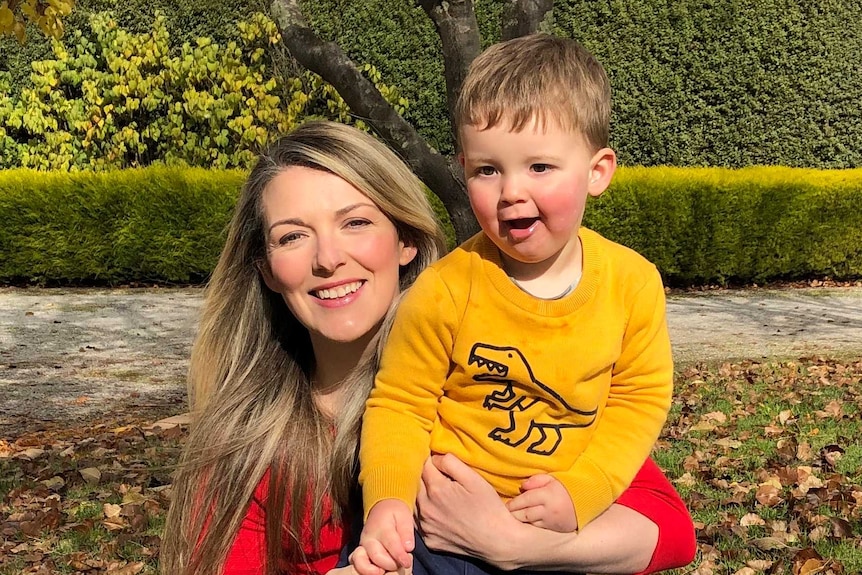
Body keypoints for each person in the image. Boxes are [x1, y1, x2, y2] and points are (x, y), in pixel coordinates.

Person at [159, 120, 695, 575]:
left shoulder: (496, 385)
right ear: (267, 270)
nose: (327, 258)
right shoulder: (246, 446)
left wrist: (513, 545)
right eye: (293, 236)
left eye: (356, 223)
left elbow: (670, 530)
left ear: (407, 239)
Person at [357, 34, 692, 575]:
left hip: (565, 524)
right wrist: (388, 502)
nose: (511, 190)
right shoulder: (446, 290)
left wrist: (580, 491)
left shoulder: (631, 284)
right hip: (440, 531)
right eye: (488, 170)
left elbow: (638, 401)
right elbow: (400, 403)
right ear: (464, 167)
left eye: (539, 167)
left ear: (597, 171)